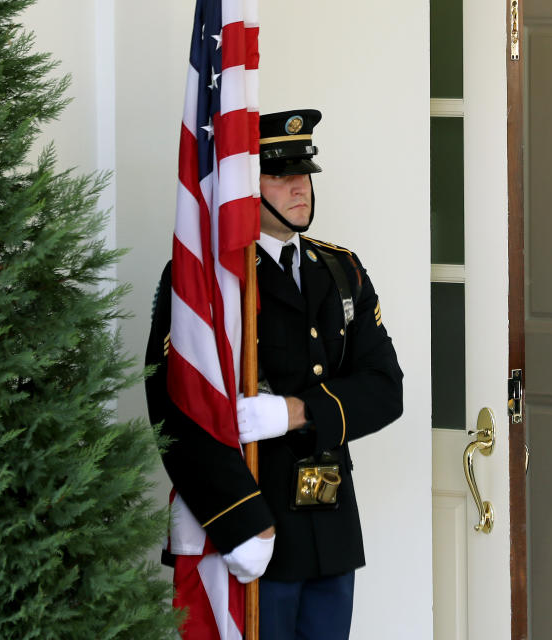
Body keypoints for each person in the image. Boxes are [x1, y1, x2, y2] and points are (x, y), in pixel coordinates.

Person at [145, 108, 404, 639]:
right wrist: (239, 522)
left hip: (330, 528)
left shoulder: (342, 271)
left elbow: (386, 389)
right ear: (244, 187)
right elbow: (175, 410)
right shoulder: (206, 282)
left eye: (303, 172)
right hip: (252, 524)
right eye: (279, 174)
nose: (298, 187)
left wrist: (298, 411)